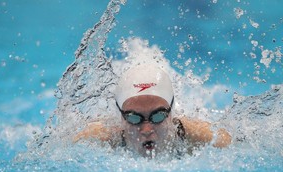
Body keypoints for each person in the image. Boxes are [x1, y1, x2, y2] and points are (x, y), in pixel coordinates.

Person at [73, 64, 231, 158]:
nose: (147, 130)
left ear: (171, 113)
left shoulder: (198, 135)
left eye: (158, 116)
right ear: (120, 117)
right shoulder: (100, 137)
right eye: (134, 118)